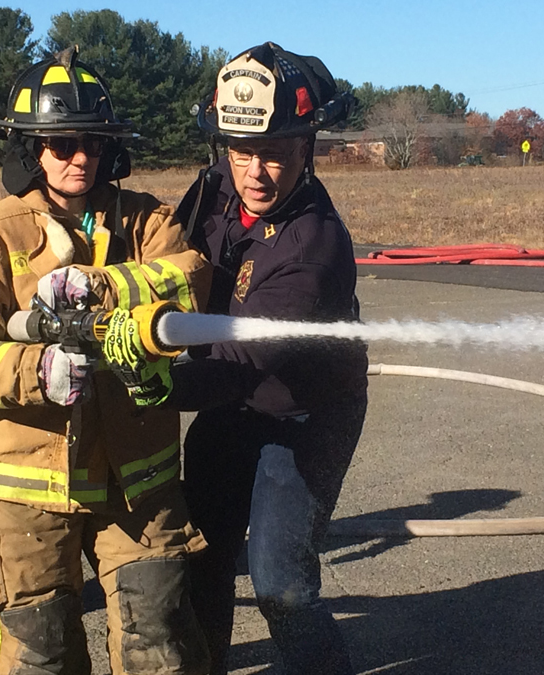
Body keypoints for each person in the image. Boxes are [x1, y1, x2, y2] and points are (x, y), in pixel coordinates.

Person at [0, 47, 211, 675]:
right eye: (61, 144)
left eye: (94, 143)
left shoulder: (145, 221)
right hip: (20, 490)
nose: (81, 157)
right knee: (42, 656)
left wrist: (104, 287)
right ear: (30, 149)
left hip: (134, 478)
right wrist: (35, 373)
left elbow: (191, 281)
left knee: (158, 642)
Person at [100, 43, 369, 675]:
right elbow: (173, 259)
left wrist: (147, 374)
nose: (253, 170)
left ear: (307, 148)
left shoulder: (316, 247)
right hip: (231, 401)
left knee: (279, 583)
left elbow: (234, 359)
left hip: (302, 413)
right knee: (204, 554)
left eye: (274, 153)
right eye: (241, 151)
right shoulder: (214, 189)